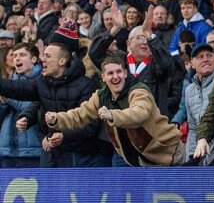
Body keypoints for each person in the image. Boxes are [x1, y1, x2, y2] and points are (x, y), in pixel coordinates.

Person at [45, 54, 185, 166]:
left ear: (125, 73)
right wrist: (57, 119)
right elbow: (80, 115)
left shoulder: (138, 90)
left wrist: (112, 115)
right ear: (103, 78)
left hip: (170, 154)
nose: (115, 76)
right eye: (110, 73)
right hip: (143, 161)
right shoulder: (101, 96)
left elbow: (139, 113)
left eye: (119, 72)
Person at [0, 43, 111, 167]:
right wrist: (29, 117)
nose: (43, 59)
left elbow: (90, 125)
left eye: (48, 56)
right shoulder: (43, 82)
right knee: (48, 186)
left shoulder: (86, 85)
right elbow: (17, 89)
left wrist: (64, 136)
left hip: (83, 155)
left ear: (61, 61)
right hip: (52, 149)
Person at [0, 43, 42, 168]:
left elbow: (32, 108)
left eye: (22, 55)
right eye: (14, 55)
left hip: (33, 153)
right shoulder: (8, 82)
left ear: (34, 59)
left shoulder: (42, 81)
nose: (17, 58)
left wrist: (8, 98)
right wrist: (2, 103)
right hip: (6, 151)